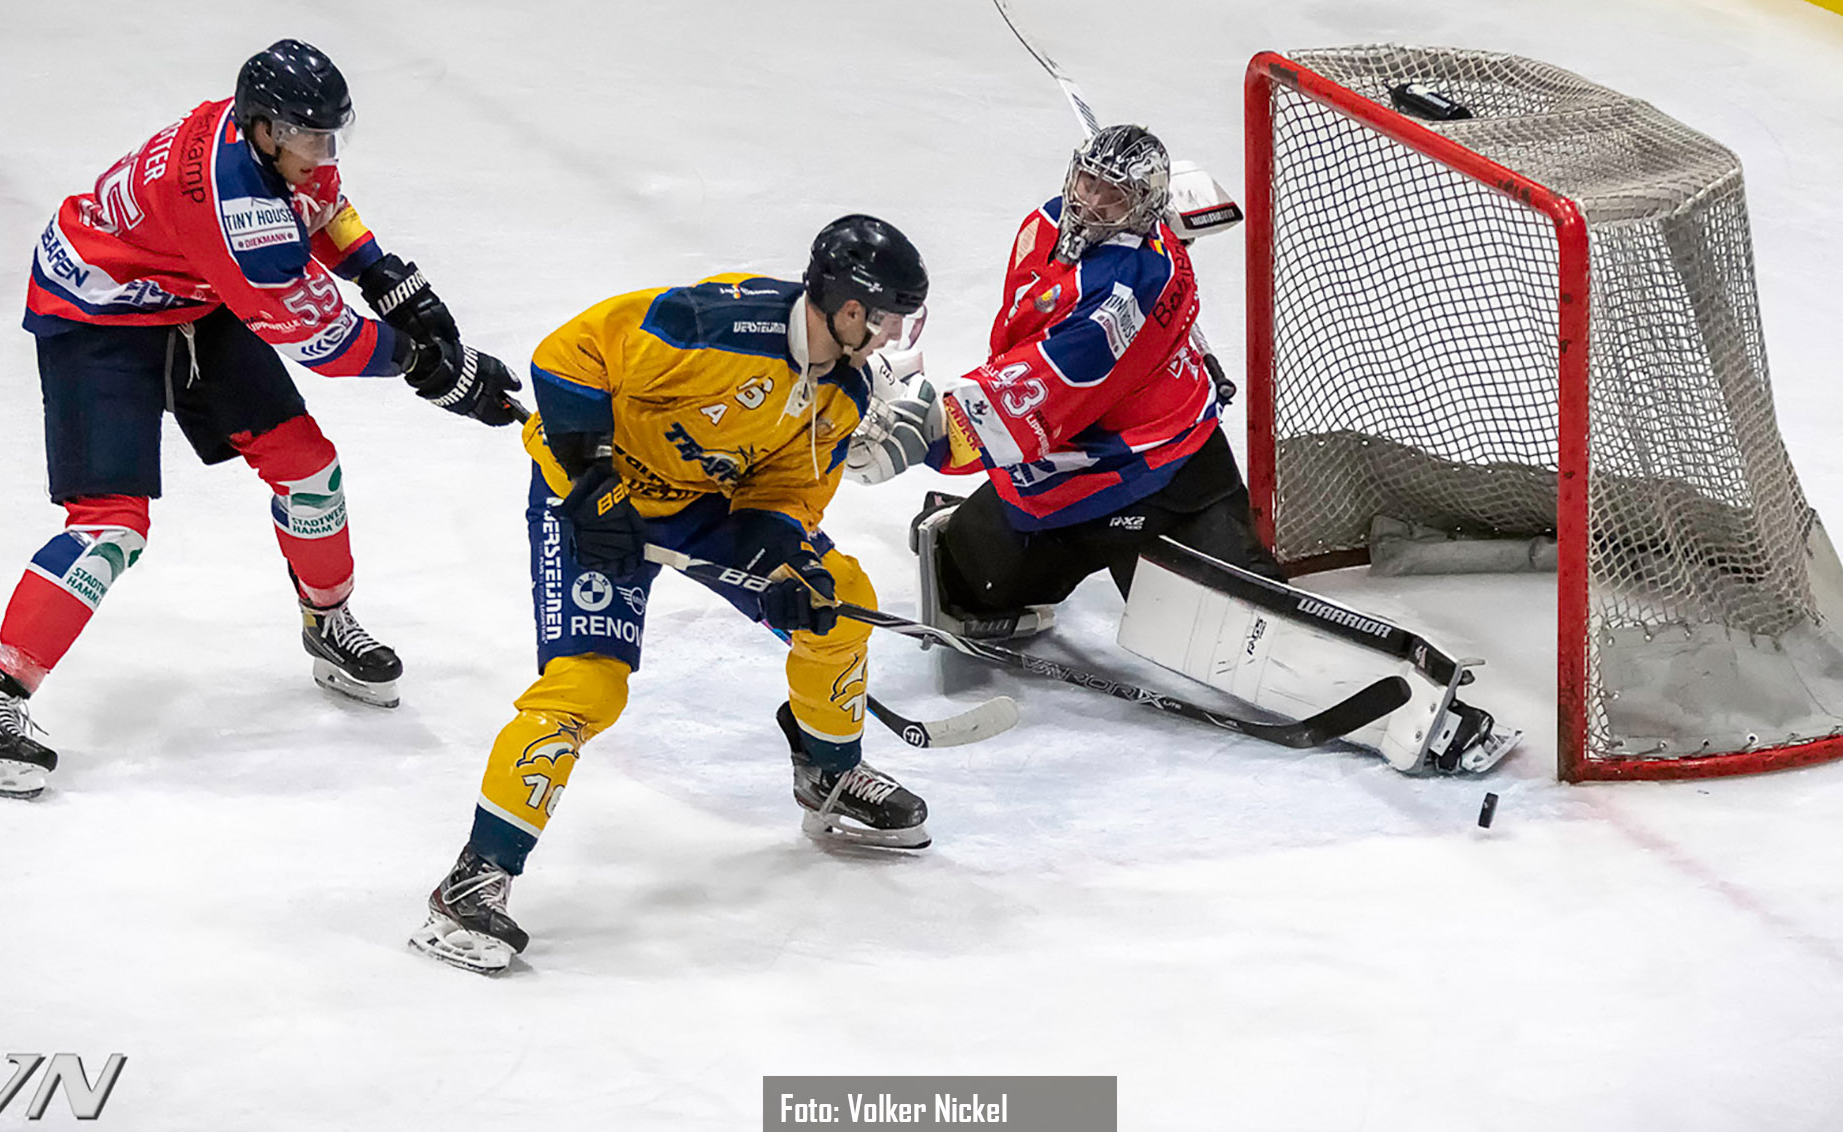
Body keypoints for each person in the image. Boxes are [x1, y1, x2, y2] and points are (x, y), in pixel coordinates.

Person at [0, 40, 524, 802]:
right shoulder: (235, 211)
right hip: (97, 313)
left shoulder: (273, 147)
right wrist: (434, 368)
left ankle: (327, 624)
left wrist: (385, 275)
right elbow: (325, 339)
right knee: (110, 526)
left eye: (328, 132)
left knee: (309, 467)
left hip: (190, 293)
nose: (324, 149)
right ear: (266, 131)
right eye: (310, 135)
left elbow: (326, 209)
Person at [408, 215, 932, 975]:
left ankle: (828, 773)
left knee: (838, 600)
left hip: (700, 508)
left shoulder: (842, 391)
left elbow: (787, 495)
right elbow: (567, 355)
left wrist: (790, 570)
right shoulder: (710, 324)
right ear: (851, 309)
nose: (889, 338)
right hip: (590, 504)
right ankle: (473, 884)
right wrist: (591, 479)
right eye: (885, 320)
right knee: (586, 687)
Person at [844, 124, 1282, 640]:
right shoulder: (1050, 223)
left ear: (1142, 208)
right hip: (1062, 473)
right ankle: (959, 527)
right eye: (1088, 182)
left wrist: (932, 431)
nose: (1090, 203)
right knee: (968, 585)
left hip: (1164, 467)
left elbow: (1043, 386)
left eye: (1113, 195)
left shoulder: (1123, 294)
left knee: (1237, 627)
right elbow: (1027, 344)